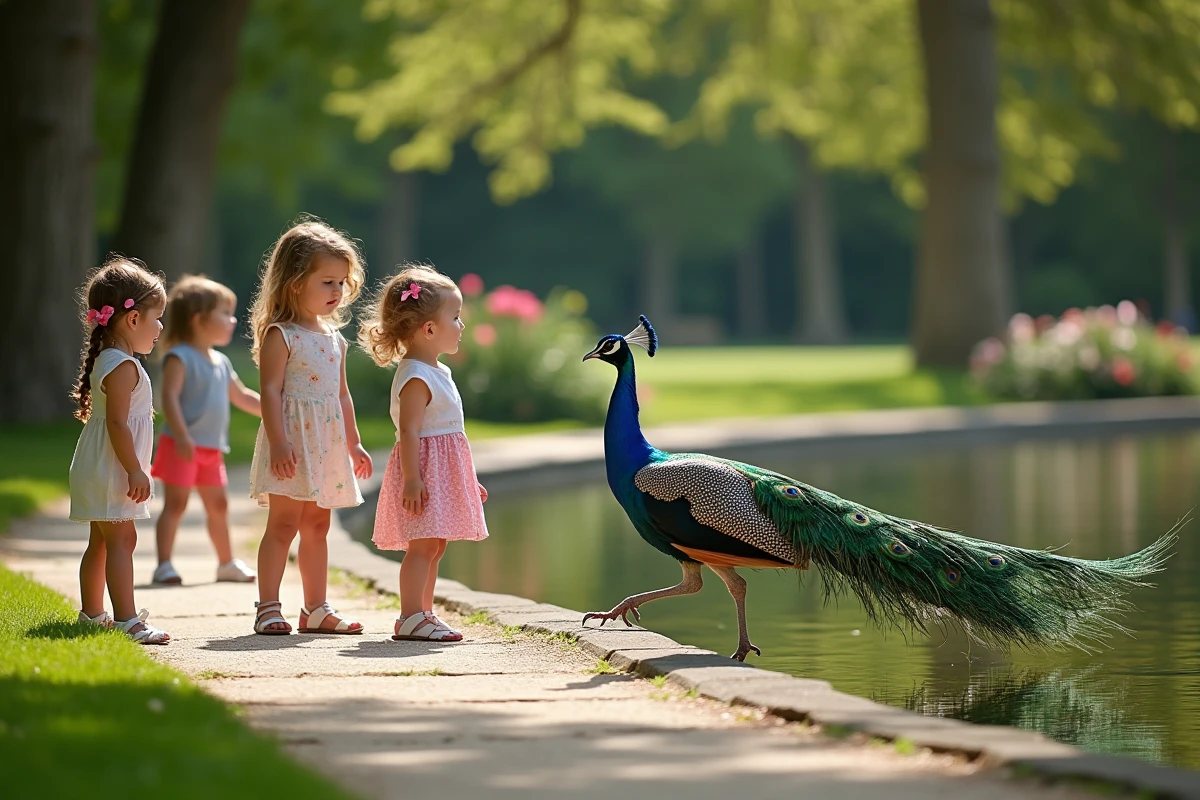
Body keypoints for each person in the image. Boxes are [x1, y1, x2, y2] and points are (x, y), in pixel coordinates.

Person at [247, 218, 373, 635]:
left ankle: (315, 608)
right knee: (283, 524)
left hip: (327, 444)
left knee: (318, 525)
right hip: (293, 444)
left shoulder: (335, 339)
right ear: (295, 282)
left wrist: (353, 445)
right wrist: (280, 443)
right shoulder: (281, 335)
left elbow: (342, 395)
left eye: (341, 283)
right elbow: (270, 392)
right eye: (327, 282)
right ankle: (268, 606)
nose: (337, 292)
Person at [358, 265, 488, 642]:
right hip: (425, 472)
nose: (461, 326)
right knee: (421, 546)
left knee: (435, 545)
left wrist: (467, 480)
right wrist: (413, 479)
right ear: (429, 329)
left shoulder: (437, 371)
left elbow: (450, 433)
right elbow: (410, 431)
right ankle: (410, 615)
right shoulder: (416, 375)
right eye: (456, 317)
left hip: (442, 472)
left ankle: (424, 612)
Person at [68, 256, 171, 644]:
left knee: (102, 541)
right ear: (132, 320)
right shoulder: (123, 366)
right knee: (122, 540)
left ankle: (93, 616)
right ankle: (128, 620)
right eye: (156, 318)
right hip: (114, 469)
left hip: (98, 465)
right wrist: (134, 469)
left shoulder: (112, 360)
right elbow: (117, 424)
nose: (160, 327)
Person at [151, 275, 262, 586]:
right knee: (176, 505)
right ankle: (164, 565)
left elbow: (240, 395)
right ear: (199, 320)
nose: (233, 320)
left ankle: (226, 563)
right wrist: (183, 435)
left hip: (211, 450)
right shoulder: (180, 357)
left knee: (219, 505)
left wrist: (275, 410)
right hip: (181, 446)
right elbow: (169, 398)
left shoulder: (221, 361)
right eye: (225, 314)